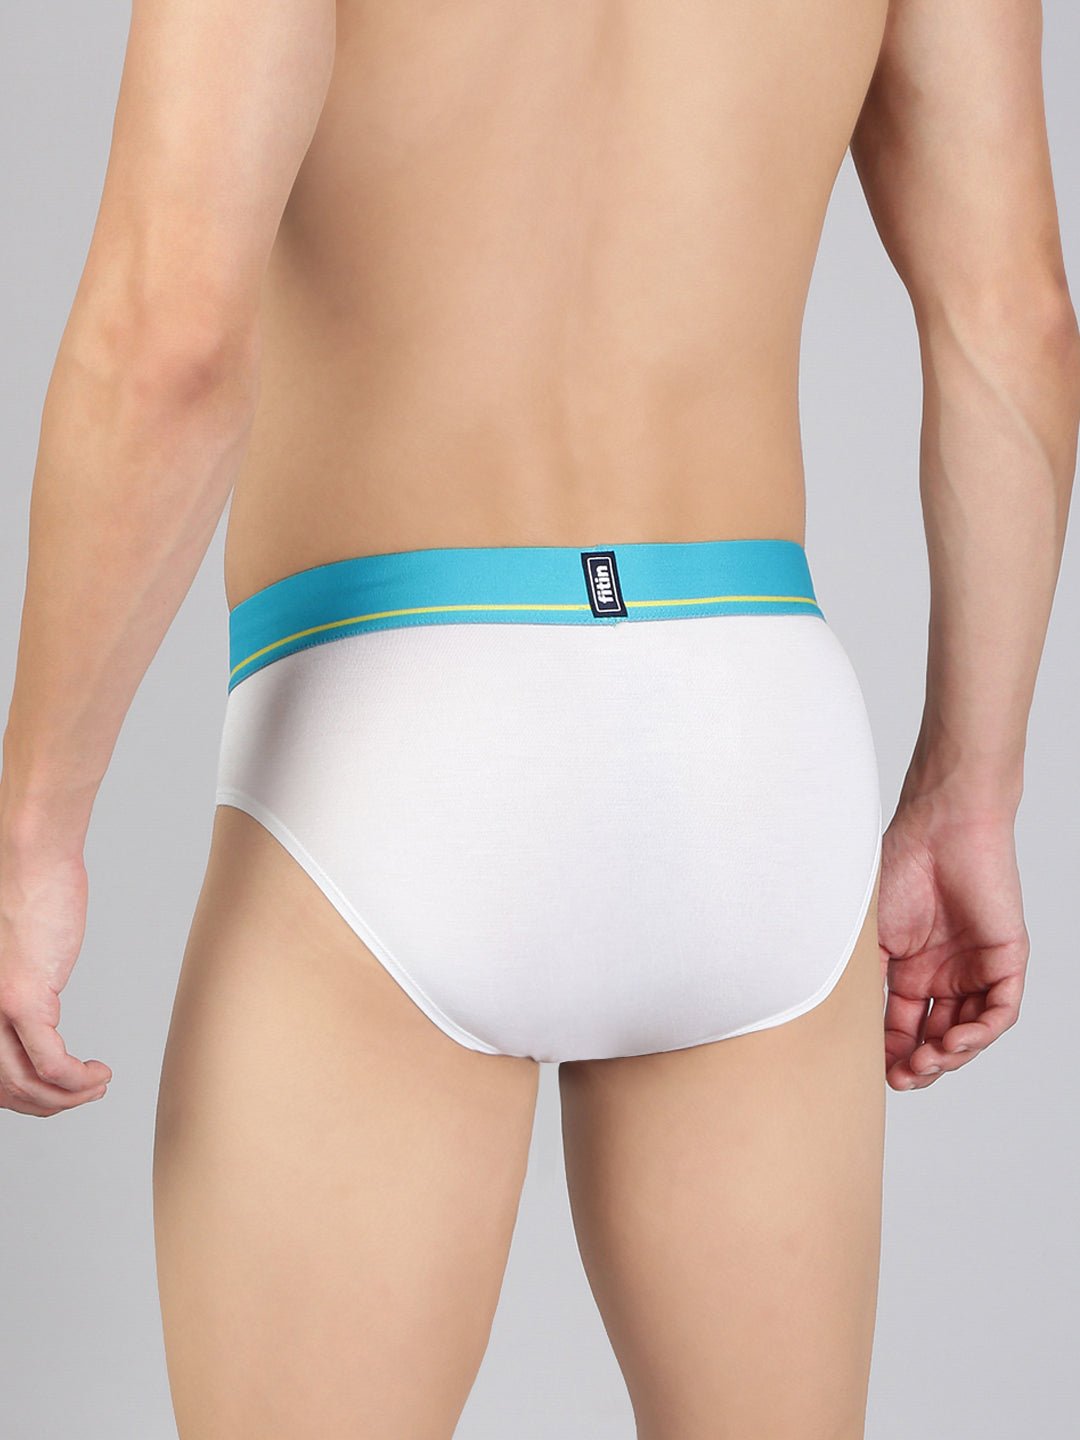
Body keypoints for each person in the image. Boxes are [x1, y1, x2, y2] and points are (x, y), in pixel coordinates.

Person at [1, 0, 1076, 1435]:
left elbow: (169, 345)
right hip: (749, 733)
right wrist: (970, 789)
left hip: (392, 726)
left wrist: (34, 833)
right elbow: (1013, 319)